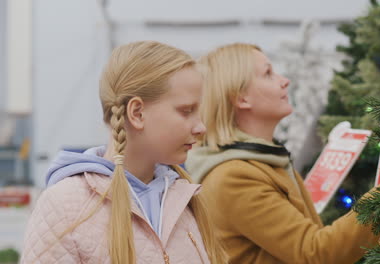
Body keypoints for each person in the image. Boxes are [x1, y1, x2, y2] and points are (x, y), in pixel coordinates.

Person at [185, 43, 380, 264]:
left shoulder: (265, 162)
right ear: (240, 98)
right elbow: (318, 253)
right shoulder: (235, 178)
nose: (284, 81)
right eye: (268, 74)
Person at [21, 41, 227, 264]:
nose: (201, 127)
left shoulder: (185, 197)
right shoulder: (64, 206)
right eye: (186, 111)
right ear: (137, 113)